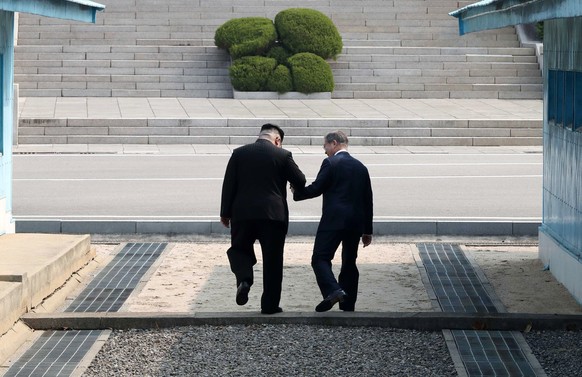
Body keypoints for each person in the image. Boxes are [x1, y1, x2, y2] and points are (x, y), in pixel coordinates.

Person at [220, 123, 306, 314]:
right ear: (277, 140)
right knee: (273, 260)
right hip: (273, 215)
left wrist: (225, 213)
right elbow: (300, 179)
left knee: (239, 249)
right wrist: (293, 186)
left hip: (242, 214)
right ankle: (269, 305)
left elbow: (229, 184)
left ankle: (244, 279)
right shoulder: (282, 155)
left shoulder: (239, 153)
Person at [293, 130, 373, 312]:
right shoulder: (361, 167)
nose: (325, 150)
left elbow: (317, 187)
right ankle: (348, 304)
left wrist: (297, 193)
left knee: (320, 258)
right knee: (349, 262)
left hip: (334, 219)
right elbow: (368, 199)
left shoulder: (330, 163)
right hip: (355, 222)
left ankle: (333, 290)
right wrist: (367, 230)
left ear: (334, 143)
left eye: (325, 146)